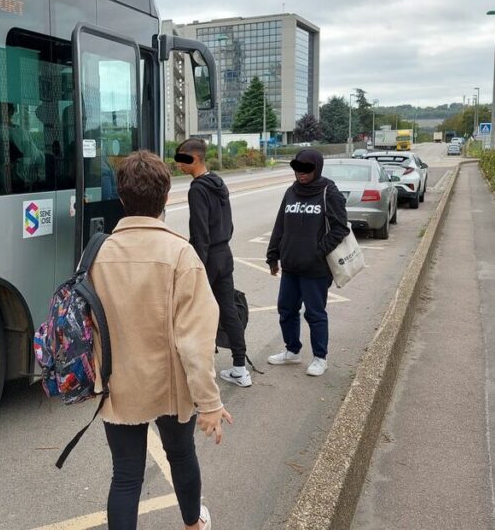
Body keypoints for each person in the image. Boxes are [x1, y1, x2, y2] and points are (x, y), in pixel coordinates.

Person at [90, 150, 231, 530]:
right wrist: (210, 403)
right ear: (167, 197)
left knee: (125, 476)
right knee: (182, 457)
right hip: (170, 384)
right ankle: (192, 524)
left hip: (118, 383)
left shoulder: (96, 254)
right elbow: (196, 342)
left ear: (121, 199)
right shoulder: (180, 255)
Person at [265, 148, 349, 376]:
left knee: (315, 313)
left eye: (306, 169)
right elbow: (280, 226)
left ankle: (320, 358)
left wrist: (318, 251)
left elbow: (340, 227)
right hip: (291, 266)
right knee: (286, 310)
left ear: (317, 168)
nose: (301, 174)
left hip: (315, 269)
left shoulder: (328, 191)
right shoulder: (291, 192)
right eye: (297, 169)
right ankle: (292, 351)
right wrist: (273, 255)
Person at [174, 138, 250, 387]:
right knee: (227, 309)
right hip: (224, 254)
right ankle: (241, 368)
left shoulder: (197, 189)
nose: (178, 165)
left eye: (182, 159)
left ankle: (199, 370)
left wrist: (197, 269)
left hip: (207, 257)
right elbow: (228, 223)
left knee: (196, 314)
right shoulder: (218, 182)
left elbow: (200, 233)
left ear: (194, 158)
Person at [0, 101, 44, 192]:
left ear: (10, 112)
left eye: (0, 111)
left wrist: (20, 176)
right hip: (9, 180)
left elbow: (32, 156)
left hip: (17, 182)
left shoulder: (20, 133)